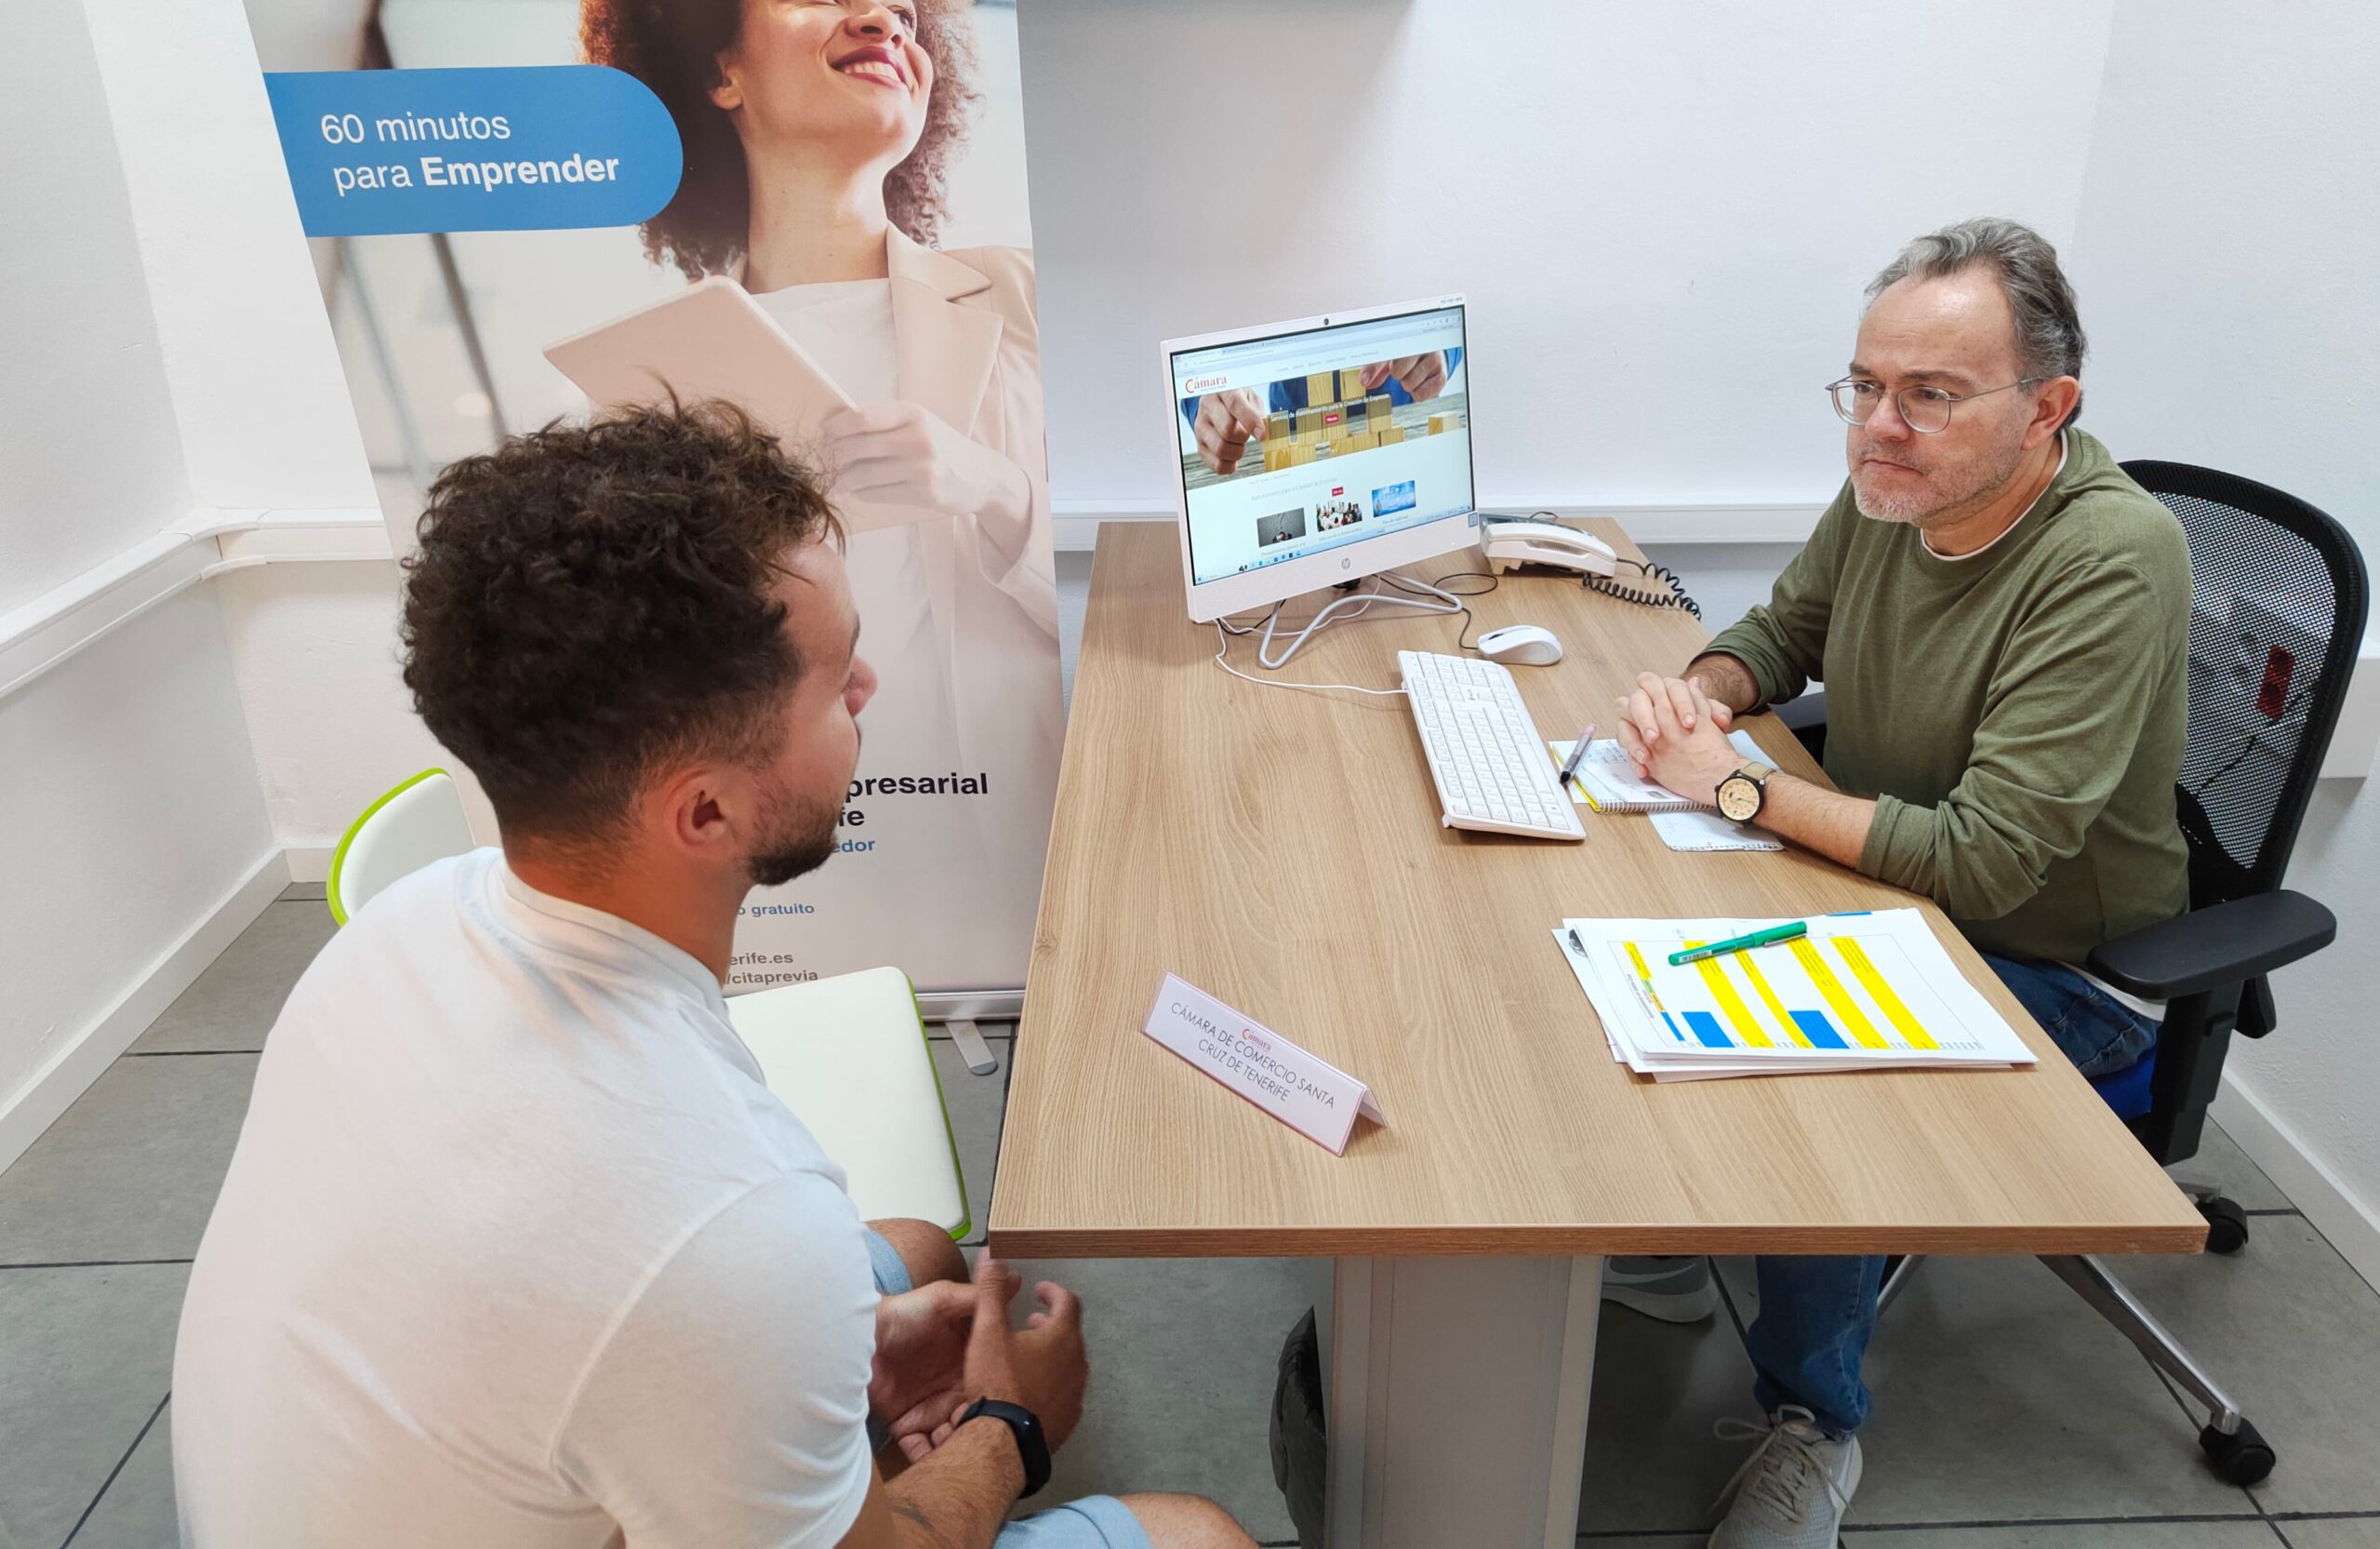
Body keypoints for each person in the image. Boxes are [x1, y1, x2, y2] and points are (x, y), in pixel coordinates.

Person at [172, 402, 1253, 1549]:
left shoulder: (404, 927)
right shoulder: (727, 1229)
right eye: (837, 683)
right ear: (705, 809)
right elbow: (707, 1282)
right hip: (658, 1316)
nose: (870, 688)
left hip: (407, 1442)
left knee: (919, 1251)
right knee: (1195, 1533)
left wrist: (816, 1351)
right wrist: (1011, 1430)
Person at [1607, 219, 2190, 1549]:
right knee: (1636, 915)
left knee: (1816, 1065)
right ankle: (1671, 1234)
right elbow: (1780, 631)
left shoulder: (2112, 556)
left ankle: (1816, 1421)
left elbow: (1987, 855)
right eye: (1865, 387)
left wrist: (1737, 787)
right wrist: (1689, 701)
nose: (1879, 425)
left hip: (2055, 962)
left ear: (2048, 409)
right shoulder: (1893, 486)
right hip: (1896, 895)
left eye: (1929, 394)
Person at [572, 0, 1058, 953]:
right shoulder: (651, 386)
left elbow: (1144, 579)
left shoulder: (1024, 297)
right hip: (806, 903)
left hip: (1039, 841)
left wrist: (992, 487)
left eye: (899, 4)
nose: (881, 18)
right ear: (721, 72)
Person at [1181, 347, 1460, 477]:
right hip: (1295, 426)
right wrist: (1201, 398)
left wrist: (1443, 352)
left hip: (1396, 421)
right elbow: (1187, 350)